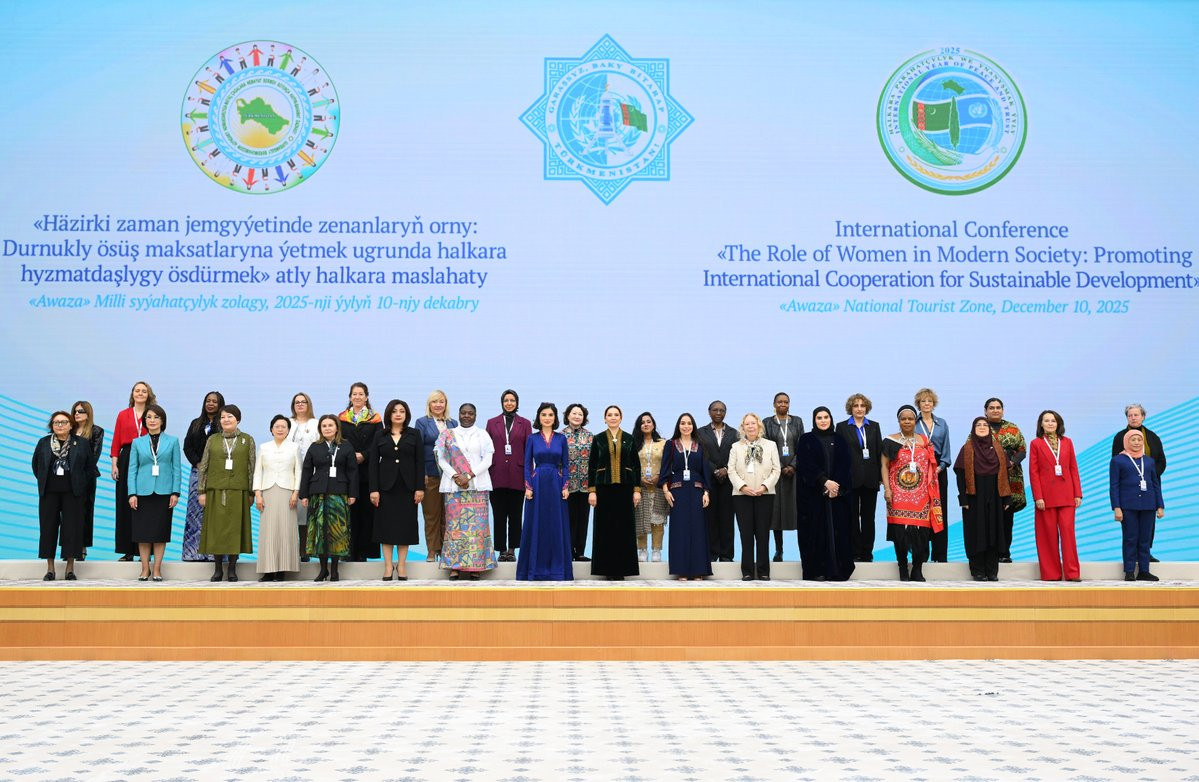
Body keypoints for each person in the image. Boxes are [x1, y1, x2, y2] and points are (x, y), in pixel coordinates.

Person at [881, 405, 944, 582]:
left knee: (921, 533)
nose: (907, 421)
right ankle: (902, 568)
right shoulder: (890, 441)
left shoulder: (924, 441)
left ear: (915, 420)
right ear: (898, 421)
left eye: (910, 418)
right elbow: (884, 466)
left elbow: (931, 465)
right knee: (899, 533)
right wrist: (887, 489)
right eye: (903, 419)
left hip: (921, 494)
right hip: (897, 494)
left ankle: (917, 569)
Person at [436, 403, 498, 580]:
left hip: (478, 486)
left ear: (475, 416)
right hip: (454, 487)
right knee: (455, 528)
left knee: (477, 529)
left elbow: (488, 460)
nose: (466, 416)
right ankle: (454, 567)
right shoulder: (447, 434)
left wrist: (469, 475)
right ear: (459, 414)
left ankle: (475, 567)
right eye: (463, 413)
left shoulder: (483, 434)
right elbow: (441, 458)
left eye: (470, 413)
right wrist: (456, 476)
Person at [795, 406, 855, 582]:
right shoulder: (806, 439)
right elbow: (805, 464)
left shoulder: (839, 439)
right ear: (814, 420)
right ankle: (816, 571)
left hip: (837, 496)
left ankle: (838, 571)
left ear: (831, 419)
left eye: (826, 417)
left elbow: (845, 465)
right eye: (819, 418)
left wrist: (836, 487)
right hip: (814, 496)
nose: (823, 420)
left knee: (838, 532)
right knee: (815, 532)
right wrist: (824, 481)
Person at [197, 404, 255, 582]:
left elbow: (251, 467)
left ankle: (232, 568)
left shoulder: (247, 440)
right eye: (223, 417)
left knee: (235, 530)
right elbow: (204, 466)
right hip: (215, 490)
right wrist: (202, 491)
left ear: (238, 419)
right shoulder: (213, 439)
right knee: (216, 529)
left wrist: (251, 492)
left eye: (230, 416)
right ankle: (217, 569)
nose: (226, 420)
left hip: (239, 491)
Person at [368, 399, 424, 581]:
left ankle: (401, 565)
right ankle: (387, 566)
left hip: (408, 489)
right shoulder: (380, 435)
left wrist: (419, 488)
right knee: (386, 528)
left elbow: (419, 462)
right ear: (389, 415)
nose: (398, 414)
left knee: (405, 528)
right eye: (394, 411)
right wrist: (374, 489)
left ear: (407, 415)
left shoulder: (414, 434)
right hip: (385, 489)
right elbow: (373, 464)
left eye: (402, 411)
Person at [31, 411, 91, 580]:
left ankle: (70, 569)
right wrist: (44, 481)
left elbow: (89, 468)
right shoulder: (43, 443)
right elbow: (36, 465)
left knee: (72, 529)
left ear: (71, 425)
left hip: (73, 493)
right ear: (52, 425)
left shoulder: (81, 443)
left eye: (64, 422)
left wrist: (80, 483)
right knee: (48, 528)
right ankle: (50, 569)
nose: (60, 425)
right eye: (56, 422)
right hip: (49, 493)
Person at [518, 403, 573, 581]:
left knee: (556, 524)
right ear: (539, 417)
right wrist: (528, 486)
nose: (547, 418)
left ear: (555, 418)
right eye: (544, 415)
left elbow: (566, 465)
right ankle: (534, 570)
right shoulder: (532, 438)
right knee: (536, 524)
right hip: (537, 483)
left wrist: (565, 486)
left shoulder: (561, 439)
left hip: (556, 484)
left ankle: (558, 570)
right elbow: (527, 464)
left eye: (550, 415)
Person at [300, 414, 358, 582]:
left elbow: (353, 471)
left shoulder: (346, 446)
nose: (327, 428)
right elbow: (307, 470)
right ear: (320, 429)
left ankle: (334, 570)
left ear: (337, 427)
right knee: (320, 532)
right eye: (324, 426)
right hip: (317, 493)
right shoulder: (315, 446)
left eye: (330, 425)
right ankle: (323, 569)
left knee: (337, 531)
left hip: (339, 493)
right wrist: (304, 494)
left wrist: (353, 493)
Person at [587, 405, 642, 580]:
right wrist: (592, 491)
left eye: (616, 415)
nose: (613, 417)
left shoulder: (629, 439)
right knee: (605, 529)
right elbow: (592, 466)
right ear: (605, 419)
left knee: (624, 529)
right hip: (603, 489)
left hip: (625, 489)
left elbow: (636, 466)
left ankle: (622, 570)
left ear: (621, 418)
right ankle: (606, 570)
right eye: (609, 415)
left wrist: (637, 490)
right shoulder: (598, 439)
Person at [127, 404, 181, 582]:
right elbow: (132, 469)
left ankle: (157, 569)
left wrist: (175, 492)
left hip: (164, 492)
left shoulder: (173, 441)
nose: (152, 420)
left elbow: (176, 468)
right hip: (142, 493)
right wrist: (132, 493)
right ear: (144, 421)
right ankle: (145, 569)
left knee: (160, 533)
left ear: (162, 421)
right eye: (148, 417)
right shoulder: (137, 442)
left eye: (156, 417)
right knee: (142, 533)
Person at [955, 417, 1011, 581]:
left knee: (994, 532)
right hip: (973, 497)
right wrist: (963, 499)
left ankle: (992, 571)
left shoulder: (998, 449)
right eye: (978, 425)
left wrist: (1007, 498)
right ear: (973, 429)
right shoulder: (967, 449)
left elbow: (1005, 475)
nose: (981, 427)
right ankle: (978, 571)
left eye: (985, 425)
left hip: (995, 495)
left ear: (989, 429)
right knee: (976, 532)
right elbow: (960, 476)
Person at [1028, 410, 1082, 582]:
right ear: (1041, 424)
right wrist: (1038, 497)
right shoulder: (1036, 443)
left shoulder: (1068, 442)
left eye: (1053, 420)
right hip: (1045, 497)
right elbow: (1034, 472)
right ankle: (1051, 574)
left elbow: (1073, 468)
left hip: (1067, 495)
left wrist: (1078, 493)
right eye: (1046, 420)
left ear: (1058, 424)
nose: (1050, 423)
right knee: (1047, 536)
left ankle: (1072, 573)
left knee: (1068, 534)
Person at [727, 412, 781, 581]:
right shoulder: (736, 447)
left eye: (753, 423)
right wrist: (743, 487)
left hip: (765, 494)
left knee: (763, 534)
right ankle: (748, 571)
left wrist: (764, 486)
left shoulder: (770, 445)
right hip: (741, 495)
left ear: (759, 426)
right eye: (747, 424)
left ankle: (763, 571)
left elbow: (776, 470)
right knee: (746, 534)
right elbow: (731, 470)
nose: (750, 426)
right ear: (742, 428)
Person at [1111, 404, 1167, 563]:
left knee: (1148, 524)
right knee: (1130, 527)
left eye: (1136, 415)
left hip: (1149, 486)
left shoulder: (1153, 437)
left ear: (1143, 417)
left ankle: (1146, 553)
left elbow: (1161, 461)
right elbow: (1115, 461)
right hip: (1128, 489)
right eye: (1130, 415)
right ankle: (1131, 559)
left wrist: (1150, 476)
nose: (1133, 418)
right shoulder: (1119, 437)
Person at [659, 413, 712, 580]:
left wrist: (706, 492)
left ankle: (698, 570)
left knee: (698, 529)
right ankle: (681, 570)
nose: (686, 426)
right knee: (679, 529)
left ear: (693, 426)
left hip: (697, 490)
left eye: (689, 423)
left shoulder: (700, 444)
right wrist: (666, 491)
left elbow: (705, 469)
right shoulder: (671, 444)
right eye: (683, 423)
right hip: (677, 490)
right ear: (678, 426)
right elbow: (665, 468)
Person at [253, 415, 303, 582]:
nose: (280, 429)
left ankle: (282, 570)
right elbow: (258, 472)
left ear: (288, 430)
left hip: (288, 493)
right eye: (277, 426)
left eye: (283, 427)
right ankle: (268, 570)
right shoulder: (264, 447)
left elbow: (299, 471)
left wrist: (296, 492)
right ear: (271, 429)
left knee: (285, 530)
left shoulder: (294, 448)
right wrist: (258, 494)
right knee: (268, 531)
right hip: (267, 492)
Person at [835, 393, 883, 563]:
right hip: (850, 479)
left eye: (862, 406)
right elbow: (839, 455)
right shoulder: (841, 427)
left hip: (870, 478)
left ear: (867, 408)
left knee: (869, 518)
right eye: (856, 406)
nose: (859, 409)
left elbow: (878, 452)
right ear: (851, 408)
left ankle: (867, 552)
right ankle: (854, 551)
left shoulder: (874, 426)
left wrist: (880, 477)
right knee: (852, 517)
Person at [111, 381, 154, 560]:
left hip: (148, 455)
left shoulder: (153, 414)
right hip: (127, 456)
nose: (140, 393)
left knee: (146, 503)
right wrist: (115, 464)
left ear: (148, 394)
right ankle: (128, 550)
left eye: (144, 391)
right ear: (132, 394)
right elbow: (116, 440)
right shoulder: (123, 414)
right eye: (137, 390)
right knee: (125, 503)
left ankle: (144, 552)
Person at [486, 389, 531, 562]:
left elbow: (529, 451)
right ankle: (501, 550)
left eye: (512, 400)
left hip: (518, 475)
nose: (509, 403)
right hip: (496, 475)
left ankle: (512, 549)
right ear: (502, 402)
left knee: (515, 515)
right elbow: (486, 450)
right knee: (498, 515)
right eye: (506, 400)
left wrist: (529, 477)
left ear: (517, 403)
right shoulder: (492, 423)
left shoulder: (525, 423)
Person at [339, 382, 381, 562]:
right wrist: (350, 455)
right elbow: (338, 441)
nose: (357, 397)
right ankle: (348, 551)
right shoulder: (341, 418)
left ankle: (363, 552)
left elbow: (379, 443)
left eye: (361, 394)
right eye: (354, 394)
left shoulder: (375, 419)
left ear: (366, 397)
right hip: (347, 472)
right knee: (348, 513)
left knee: (366, 513)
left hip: (367, 472)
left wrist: (364, 455)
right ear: (350, 397)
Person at [414, 390, 457, 563]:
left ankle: (446, 551)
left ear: (446, 404)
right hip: (430, 475)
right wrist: (422, 473)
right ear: (429, 404)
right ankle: (432, 550)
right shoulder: (422, 422)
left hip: (450, 476)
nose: (438, 405)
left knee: (448, 515)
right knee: (431, 515)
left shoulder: (453, 423)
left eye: (441, 401)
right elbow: (417, 450)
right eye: (434, 402)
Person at [984, 398, 1027, 562]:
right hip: (988, 478)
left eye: (998, 407)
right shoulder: (980, 427)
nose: (995, 410)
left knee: (1007, 518)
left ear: (1002, 410)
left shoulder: (1013, 428)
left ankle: (1004, 553)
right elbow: (970, 449)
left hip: (1010, 478)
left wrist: (1011, 462)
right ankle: (990, 554)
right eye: (991, 408)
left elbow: (1022, 450)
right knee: (989, 517)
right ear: (985, 411)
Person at [183, 391, 223, 562]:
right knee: (195, 513)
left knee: (215, 513)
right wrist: (198, 463)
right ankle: (192, 553)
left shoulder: (223, 425)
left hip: (218, 474)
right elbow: (187, 447)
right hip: (197, 473)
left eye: (214, 401)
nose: (211, 404)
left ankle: (215, 553)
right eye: (208, 401)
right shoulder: (195, 423)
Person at [696, 400, 738, 562]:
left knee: (727, 519)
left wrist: (726, 469)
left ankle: (726, 555)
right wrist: (714, 470)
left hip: (729, 481)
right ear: (709, 412)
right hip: (709, 480)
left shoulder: (735, 433)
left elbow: (738, 455)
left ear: (725, 413)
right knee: (711, 518)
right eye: (715, 410)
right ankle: (712, 554)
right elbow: (701, 455)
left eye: (722, 410)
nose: (718, 413)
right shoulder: (700, 432)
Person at [764, 392, 802, 562]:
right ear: (774, 404)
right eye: (779, 402)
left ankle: (803, 549)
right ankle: (779, 550)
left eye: (786, 402)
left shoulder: (797, 421)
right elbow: (766, 447)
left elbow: (801, 446)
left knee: (797, 512)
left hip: (794, 474)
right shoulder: (767, 422)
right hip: (775, 474)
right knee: (776, 513)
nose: (783, 404)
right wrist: (780, 467)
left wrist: (793, 465)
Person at [915, 388, 952, 562]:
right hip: (919, 470)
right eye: (923, 401)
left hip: (938, 469)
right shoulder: (913, 422)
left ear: (933, 403)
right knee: (921, 511)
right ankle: (921, 555)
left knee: (939, 510)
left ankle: (940, 555)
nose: (926, 404)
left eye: (929, 401)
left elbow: (946, 448)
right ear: (918, 404)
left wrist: (941, 466)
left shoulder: (942, 423)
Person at [70, 400, 104, 562]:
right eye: (75, 411)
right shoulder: (69, 430)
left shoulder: (96, 431)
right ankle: (70, 549)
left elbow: (94, 456)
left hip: (86, 477)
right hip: (67, 477)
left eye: (81, 411)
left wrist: (78, 470)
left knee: (85, 512)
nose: (77, 414)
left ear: (88, 413)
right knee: (68, 514)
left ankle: (82, 548)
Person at [633, 412, 667, 563]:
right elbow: (630, 465)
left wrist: (659, 476)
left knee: (657, 519)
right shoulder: (633, 443)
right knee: (641, 518)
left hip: (658, 486)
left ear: (653, 424)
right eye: (642, 422)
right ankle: (642, 549)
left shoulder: (663, 443)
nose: (646, 424)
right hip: (640, 488)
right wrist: (639, 479)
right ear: (639, 426)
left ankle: (656, 550)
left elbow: (667, 463)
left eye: (648, 421)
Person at [289, 392, 319, 562]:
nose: (300, 404)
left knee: (305, 513)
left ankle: (304, 551)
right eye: (297, 402)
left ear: (309, 404)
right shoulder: (288, 423)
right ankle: (290, 552)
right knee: (290, 513)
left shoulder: (316, 424)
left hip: (310, 473)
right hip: (288, 474)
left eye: (303, 402)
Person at [562, 403, 593, 562]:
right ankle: (567, 551)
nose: (577, 416)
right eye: (574, 413)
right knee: (568, 519)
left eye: (580, 414)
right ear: (568, 416)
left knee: (583, 519)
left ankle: (580, 551)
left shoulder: (590, 436)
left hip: (585, 486)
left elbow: (594, 461)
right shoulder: (560, 436)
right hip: (567, 486)